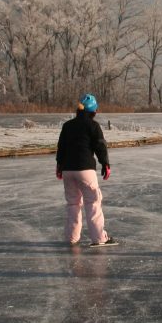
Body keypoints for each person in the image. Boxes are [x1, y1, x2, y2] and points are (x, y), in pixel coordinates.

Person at [55, 93, 117, 247]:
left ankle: (72, 237)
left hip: (68, 170)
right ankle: (100, 238)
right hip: (85, 170)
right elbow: (100, 145)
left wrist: (59, 166)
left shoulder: (67, 126)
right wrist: (105, 164)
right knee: (93, 203)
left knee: (73, 204)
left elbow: (61, 147)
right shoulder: (93, 126)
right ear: (93, 111)